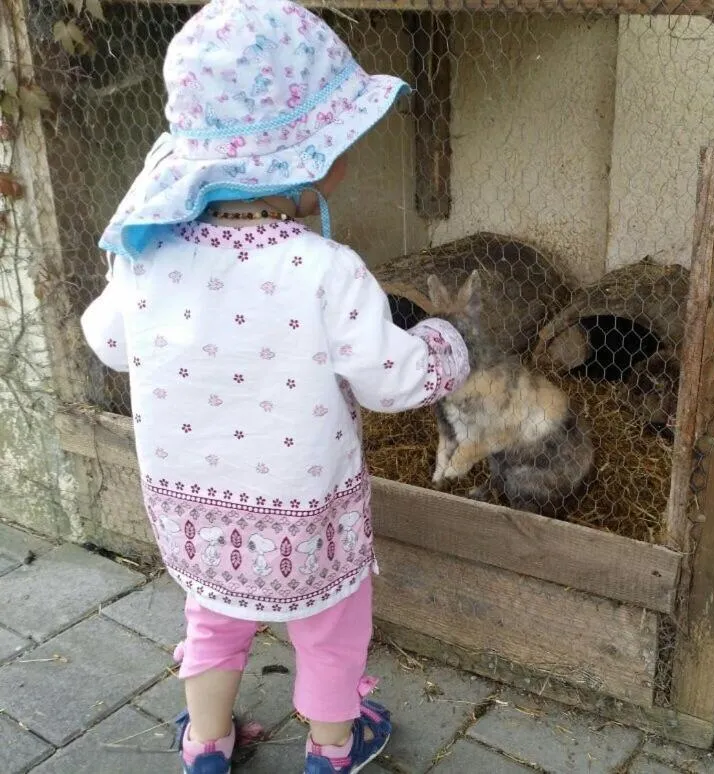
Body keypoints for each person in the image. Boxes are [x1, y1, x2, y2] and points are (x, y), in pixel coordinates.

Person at [80, 2, 470, 772]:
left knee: (212, 618)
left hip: (195, 511)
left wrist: (129, 274)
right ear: (314, 160)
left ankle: (207, 744)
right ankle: (331, 748)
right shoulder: (322, 269)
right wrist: (446, 346)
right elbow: (390, 380)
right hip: (304, 518)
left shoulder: (149, 255)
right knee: (330, 630)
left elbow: (107, 341)